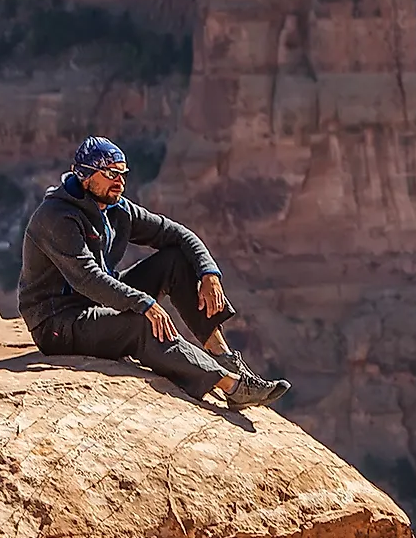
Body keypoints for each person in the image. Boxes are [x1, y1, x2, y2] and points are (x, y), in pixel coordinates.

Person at [18, 137, 290, 409]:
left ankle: (222, 356)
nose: (120, 183)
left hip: (93, 303)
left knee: (174, 261)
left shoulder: (116, 209)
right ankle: (231, 386)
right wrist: (144, 303)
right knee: (143, 325)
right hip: (58, 323)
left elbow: (178, 234)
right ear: (86, 175)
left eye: (123, 174)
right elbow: (87, 279)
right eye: (111, 174)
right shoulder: (56, 217)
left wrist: (209, 274)